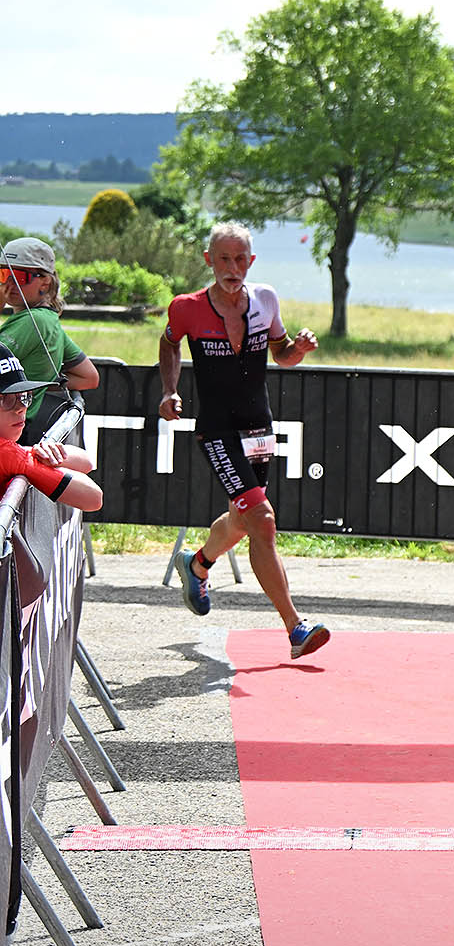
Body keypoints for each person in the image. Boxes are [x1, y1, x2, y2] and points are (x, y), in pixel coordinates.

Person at [158, 222, 330, 660]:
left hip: (258, 426)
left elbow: (281, 353)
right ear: (209, 260)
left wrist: (299, 349)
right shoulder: (187, 307)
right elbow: (170, 342)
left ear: (251, 262)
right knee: (263, 519)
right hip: (217, 429)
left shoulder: (266, 298)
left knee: (243, 519)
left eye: (240, 260)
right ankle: (295, 628)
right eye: (223, 259)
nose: (232, 268)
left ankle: (197, 564)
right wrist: (169, 390)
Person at [0, 237, 99, 445]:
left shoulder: (34, 321)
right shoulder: (49, 320)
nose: (9, 284)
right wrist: (40, 382)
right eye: (4, 274)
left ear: (45, 282)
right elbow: (89, 377)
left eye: (20, 276)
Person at [0, 349, 103, 512]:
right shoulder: (5, 455)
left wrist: (36, 454)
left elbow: (87, 462)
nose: (21, 408)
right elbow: (93, 498)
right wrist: (24, 460)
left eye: (24, 396)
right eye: (4, 399)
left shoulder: (7, 452)